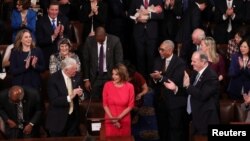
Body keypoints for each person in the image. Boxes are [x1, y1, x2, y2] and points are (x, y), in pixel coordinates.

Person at [150, 40, 187, 141]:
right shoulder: (158, 60)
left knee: (175, 130)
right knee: (162, 129)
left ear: (170, 50)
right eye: (159, 49)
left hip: (174, 102)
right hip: (160, 101)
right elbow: (154, 81)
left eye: (162, 50)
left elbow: (175, 81)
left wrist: (161, 78)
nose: (160, 51)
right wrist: (155, 78)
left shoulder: (180, 63)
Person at [183, 51, 220, 136]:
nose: (191, 63)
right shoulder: (196, 72)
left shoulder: (211, 75)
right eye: (191, 61)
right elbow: (188, 88)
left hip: (206, 120)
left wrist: (188, 86)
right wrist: (176, 88)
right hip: (196, 115)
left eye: (194, 61)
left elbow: (203, 95)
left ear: (203, 62)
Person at [82, 26, 123, 100]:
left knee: (111, 98)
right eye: (98, 41)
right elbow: (85, 61)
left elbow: (119, 61)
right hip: (95, 76)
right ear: (95, 36)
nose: (100, 42)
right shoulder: (89, 41)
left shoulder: (115, 41)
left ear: (105, 35)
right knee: (94, 99)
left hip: (110, 75)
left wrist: (117, 77)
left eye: (102, 41)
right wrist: (86, 79)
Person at [46, 57, 83, 137]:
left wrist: (81, 94)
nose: (76, 71)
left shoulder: (78, 76)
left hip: (73, 118)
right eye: (74, 69)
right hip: (58, 119)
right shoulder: (53, 79)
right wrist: (70, 97)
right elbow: (54, 101)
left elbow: (83, 93)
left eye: (76, 68)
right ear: (66, 70)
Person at [128, 0, 164, 79]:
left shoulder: (157, 1)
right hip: (138, 34)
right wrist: (137, 19)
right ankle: (142, 80)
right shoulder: (135, 1)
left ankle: (151, 80)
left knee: (151, 57)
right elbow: (129, 15)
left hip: (151, 35)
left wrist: (149, 15)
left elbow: (161, 15)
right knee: (140, 57)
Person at [102, 63, 134, 137]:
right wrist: (113, 120)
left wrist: (118, 118)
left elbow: (130, 106)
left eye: (116, 74)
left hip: (124, 120)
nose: (113, 77)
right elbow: (105, 105)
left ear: (122, 75)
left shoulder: (130, 87)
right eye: (113, 74)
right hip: (110, 119)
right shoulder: (107, 85)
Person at [36, 0, 70, 69]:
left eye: (56, 10)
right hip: (47, 52)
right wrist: (53, 36)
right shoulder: (40, 22)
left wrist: (61, 35)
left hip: (62, 52)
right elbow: (39, 41)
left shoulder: (64, 19)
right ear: (48, 10)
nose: (54, 12)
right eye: (52, 10)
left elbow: (69, 37)